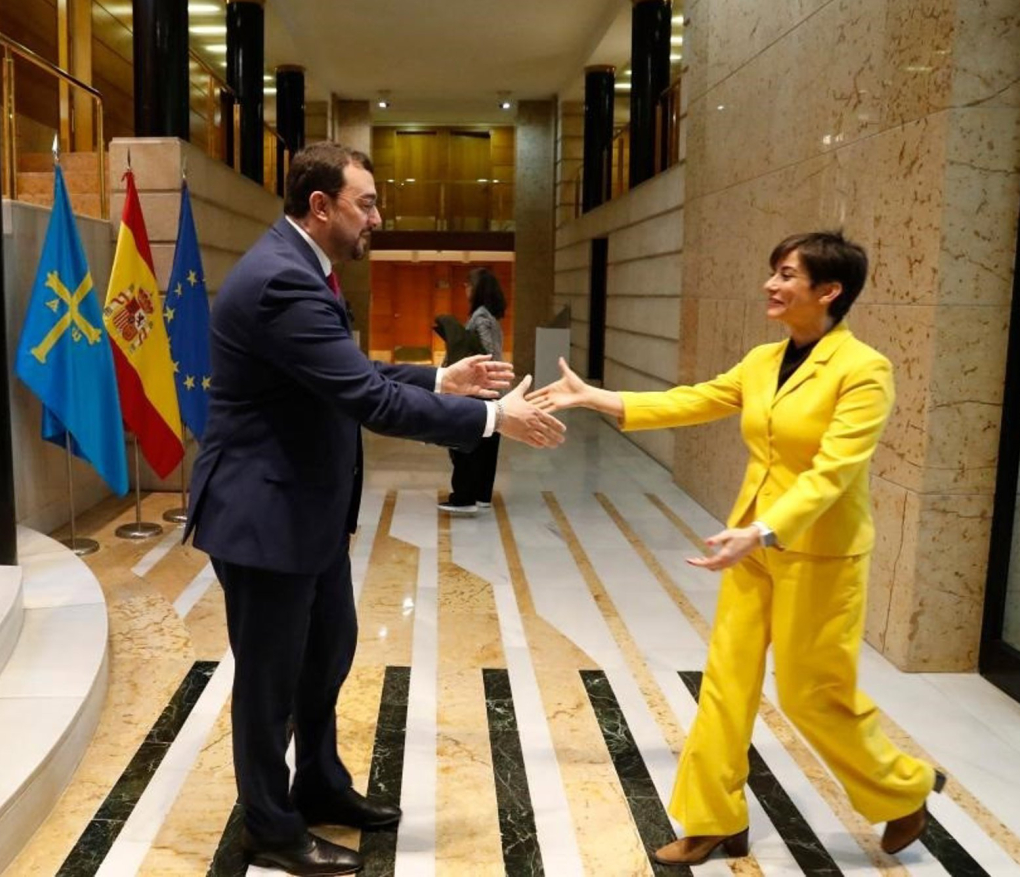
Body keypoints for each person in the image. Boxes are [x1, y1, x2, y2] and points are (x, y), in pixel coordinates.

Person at [186, 141, 565, 876]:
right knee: (269, 683)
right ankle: (269, 826)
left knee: (326, 654)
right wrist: (493, 419)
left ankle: (319, 784)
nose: (378, 218)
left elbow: (348, 370)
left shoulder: (302, 267)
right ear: (319, 205)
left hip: (307, 514)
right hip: (264, 517)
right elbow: (365, 398)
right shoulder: (281, 281)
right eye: (366, 204)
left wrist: (440, 379)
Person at [529, 231, 942, 865]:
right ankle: (714, 818)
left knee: (809, 693)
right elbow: (691, 401)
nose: (771, 285)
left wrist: (765, 528)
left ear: (829, 291)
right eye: (774, 272)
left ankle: (902, 788)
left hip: (820, 554)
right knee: (726, 682)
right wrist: (594, 398)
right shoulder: (762, 360)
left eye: (787, 275)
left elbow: (833, 472)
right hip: (752, 547)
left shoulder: (864, 370)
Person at [438, 267, 507, 515]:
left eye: (468, 284)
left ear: (477, 289)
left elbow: (487, 352)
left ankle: (464, 497)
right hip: (494, 389)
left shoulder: (480, 318)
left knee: (465, 444)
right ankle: (482, 495)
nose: (465, 288)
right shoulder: (491, 317)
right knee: (487, 444)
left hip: (479, 391)